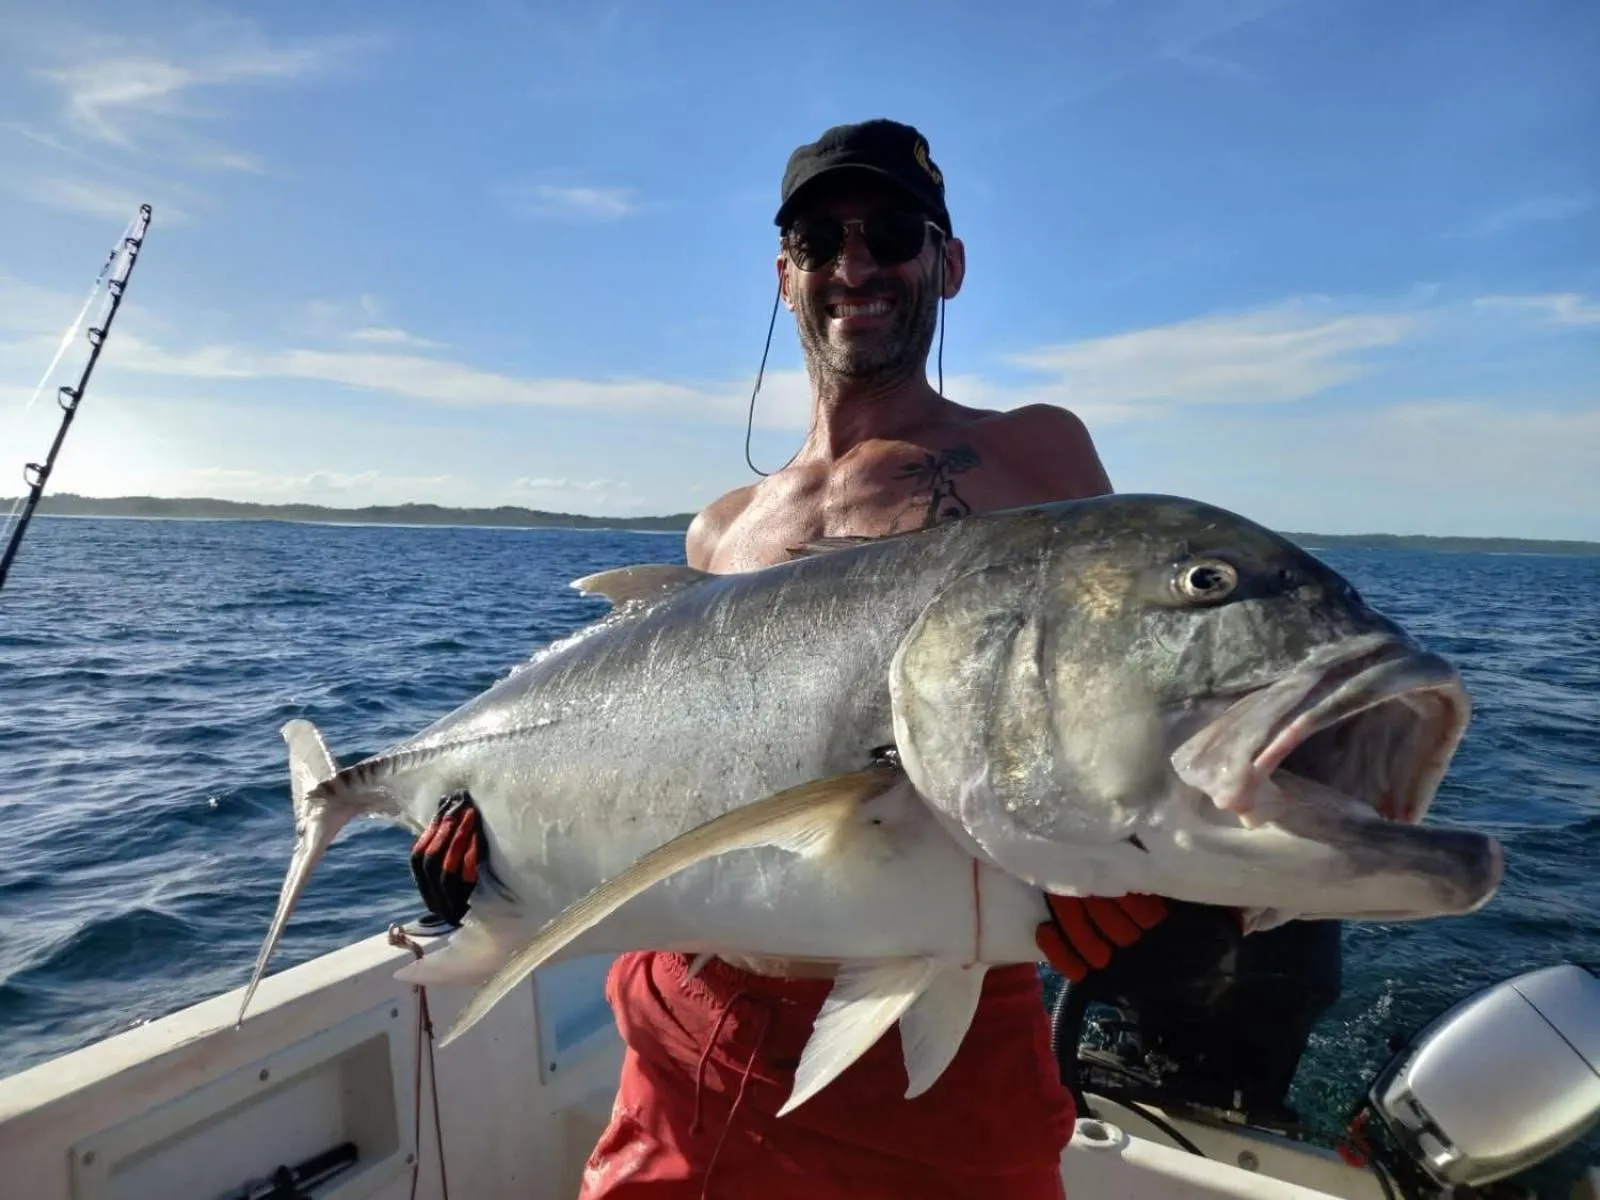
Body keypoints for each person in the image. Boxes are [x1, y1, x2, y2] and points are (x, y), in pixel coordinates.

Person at [409, 119, 1322, 1197]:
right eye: (818, 240)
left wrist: (1169, 905)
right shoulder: (723, 529)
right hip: (687, 1036)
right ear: (783, 274)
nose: (854, 266)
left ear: (948, 263)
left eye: (890, 233)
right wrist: (494, 867)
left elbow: (1125, 696)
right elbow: (657, 783)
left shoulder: (1034, 452)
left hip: (941, 1046)